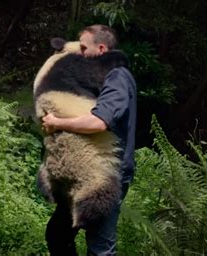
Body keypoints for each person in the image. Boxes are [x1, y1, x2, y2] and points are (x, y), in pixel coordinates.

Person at [41, 24, 137, 256]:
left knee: (100, 248)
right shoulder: (98, 77)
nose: (80, 53)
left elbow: (99, 122)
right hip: (83, 172)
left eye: (84, 48)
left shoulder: (118, 77)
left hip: (105, 178)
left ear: (101, 49)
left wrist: (57, 123)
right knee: (58, 234)